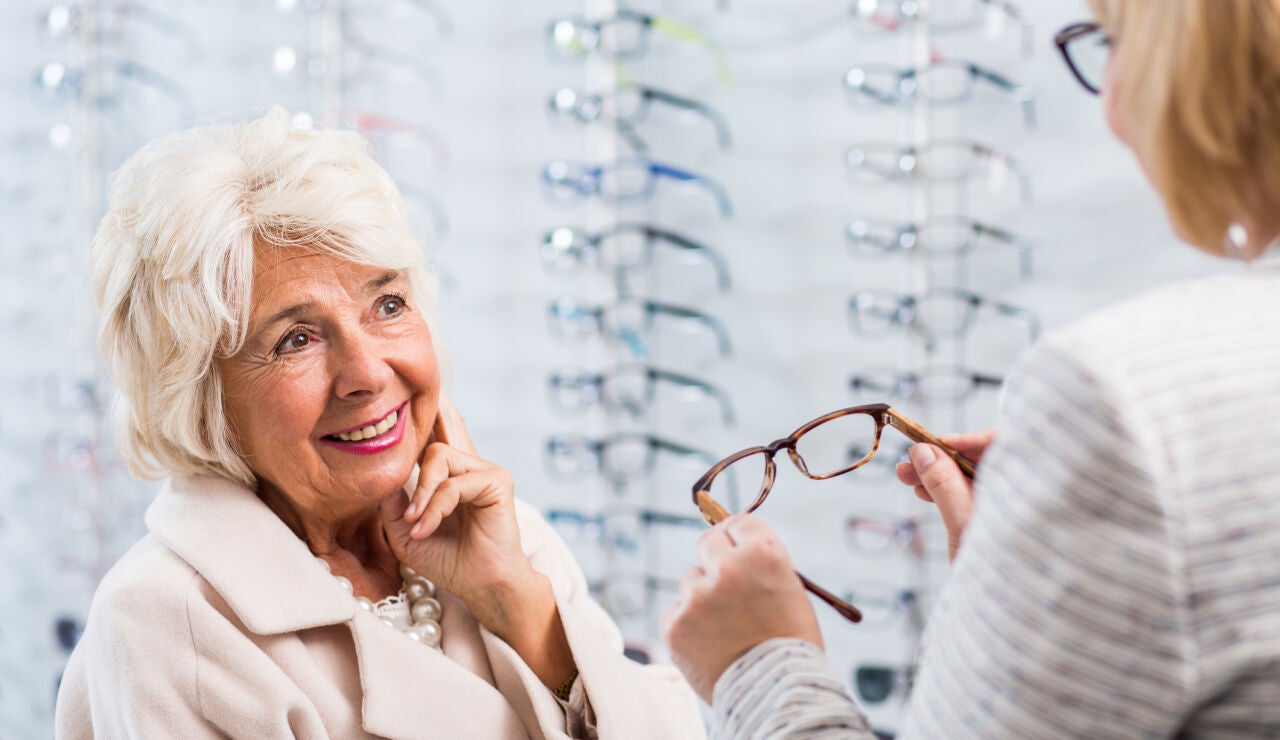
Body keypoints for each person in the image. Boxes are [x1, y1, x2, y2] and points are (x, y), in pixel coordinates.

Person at [662, 0, 1280, 737]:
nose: (1111, 101)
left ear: (1197, 63)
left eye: (1111, 42)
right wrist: (1027, 600)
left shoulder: (1126, 405)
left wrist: (756, 662)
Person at [53, 106, 704, 739]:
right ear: (199, 398)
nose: (367, 371)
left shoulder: (505, 540)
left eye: (388, 303)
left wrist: (515, 598)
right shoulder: (164, 620)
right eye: (296, 340)